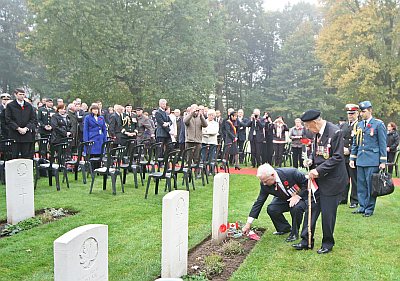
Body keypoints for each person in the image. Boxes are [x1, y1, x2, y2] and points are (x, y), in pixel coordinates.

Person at [292, 109, 347, 254]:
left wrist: (318, 170)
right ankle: (306, 240)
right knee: (311, 210)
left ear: (315, 122)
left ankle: (327, 243)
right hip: (318, 181)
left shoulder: (335, 132)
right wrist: (311, 160)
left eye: (308, 126)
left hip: (332, 181)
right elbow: (318, 152)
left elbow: (337, 157)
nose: (308, 129)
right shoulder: (316, 134)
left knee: (328, 214)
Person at [242, 163, 307, 242]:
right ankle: (284, 228)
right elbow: (259, 202)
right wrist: (248, 223)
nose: (264, 184)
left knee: (295, 208)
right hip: (284, 198)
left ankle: (294, 233)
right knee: (272, 209)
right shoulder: (264, 184)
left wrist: (298, 196)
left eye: (265, 181)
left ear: (272, 175)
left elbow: (307, 184)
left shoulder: (291, 173)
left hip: (301, 197)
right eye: (262, 181)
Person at [350, 101, 387, 217]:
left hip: (372, 159)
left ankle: (369, 209)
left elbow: (382, 143)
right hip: (361, 159)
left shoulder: (378, 124)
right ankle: (362, 206)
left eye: (363, 111)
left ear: (370, 111)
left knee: (371, 185)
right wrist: (352, 158)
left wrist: (383, 161)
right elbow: (356, 143)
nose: (361, 114)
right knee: (361, 185)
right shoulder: (359, 125)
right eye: (360, 111)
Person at [5, 88, 37, 159]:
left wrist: (26, 128)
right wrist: (18, 128)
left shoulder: (29, 106)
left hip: (26, 134)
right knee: (14, 155)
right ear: (15, 95)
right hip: (15, 134)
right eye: (20, 94)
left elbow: (33, 119)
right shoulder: (10, 106)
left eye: (23, 94)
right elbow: (8, 119)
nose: (22, 96)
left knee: (26, 156)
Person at [339, 104, 359, 208]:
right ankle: (343, 198)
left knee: (354, 179)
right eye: (349, 114)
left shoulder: (360, 125)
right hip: (344, 156)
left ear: (357, 114)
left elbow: (360, 142)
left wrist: (350, 150)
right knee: (344, 178)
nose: (350, 116)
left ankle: (354, 200)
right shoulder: (344, 125)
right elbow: (340, 139)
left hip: (354, 156)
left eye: (352, 113)